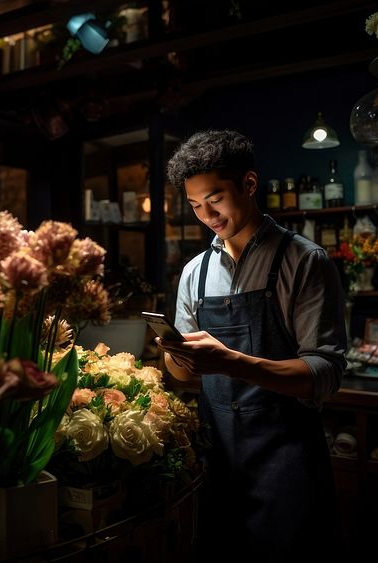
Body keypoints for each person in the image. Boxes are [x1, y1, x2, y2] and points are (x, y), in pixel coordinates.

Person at [157, 129, 347, 559]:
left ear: (248, 184)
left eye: (216, 198)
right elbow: (185, 375)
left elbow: (324, 374)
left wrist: (231, 362)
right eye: (195, 205)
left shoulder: (303, 261)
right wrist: (177, 355)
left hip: (287, 462)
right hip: (217, 459)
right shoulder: (194, 273)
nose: (207, 214)